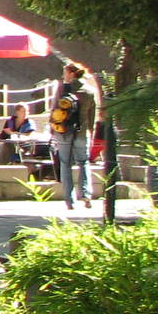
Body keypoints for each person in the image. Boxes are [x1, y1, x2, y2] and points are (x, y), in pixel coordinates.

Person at [50, 61, 99, 211]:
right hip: (82, 132)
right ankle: (85, 193)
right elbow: (92, 117)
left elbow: (54, 110)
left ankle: (69, 201)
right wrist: (90, 131)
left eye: (65, 72)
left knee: (65, 164)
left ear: (71, 74)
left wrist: (52, 130)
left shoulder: (62, 90)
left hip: (63, 132)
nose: (63, 75)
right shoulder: (89, 92)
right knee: (83, 162)